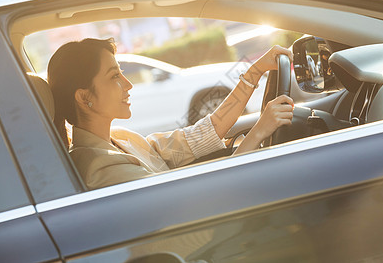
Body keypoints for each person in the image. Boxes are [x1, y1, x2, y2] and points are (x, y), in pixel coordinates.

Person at [48, 38, 294, 190]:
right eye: (114, 76)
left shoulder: (120, 138)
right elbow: (199, 206)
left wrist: (255, 71)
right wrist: (259, 132)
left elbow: (200, 135)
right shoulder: (99, 168)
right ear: (84, 97)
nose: (128, 84)